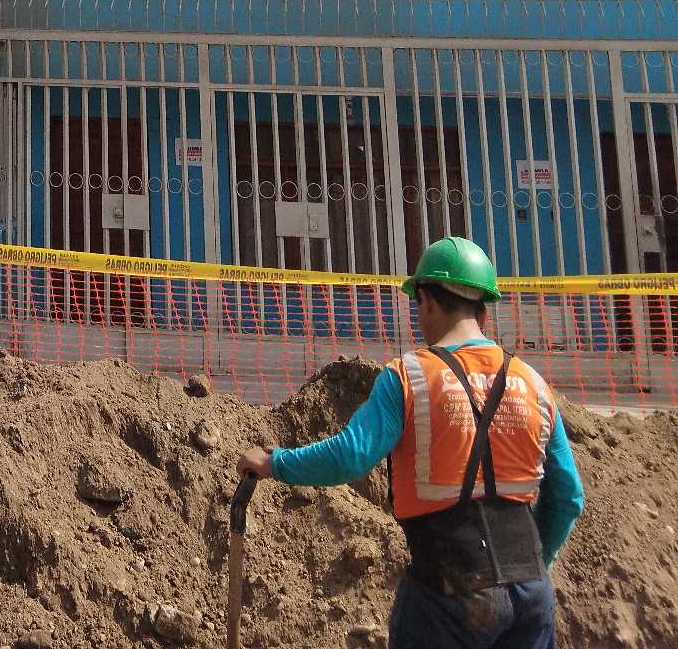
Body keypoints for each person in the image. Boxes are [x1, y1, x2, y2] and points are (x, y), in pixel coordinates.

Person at [237, 236, 584, 649]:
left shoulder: (409, 375)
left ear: (426, 300)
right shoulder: (534, 384)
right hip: (531, 594)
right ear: (484, 310)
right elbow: (568, 497)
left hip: (447, 592)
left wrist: (275, 462)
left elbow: (351, 455)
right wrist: (535, 565)